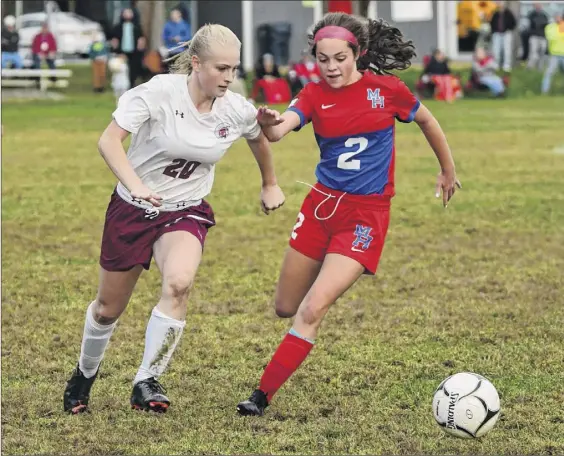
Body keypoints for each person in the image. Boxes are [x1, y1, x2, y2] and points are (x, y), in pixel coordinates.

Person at [236, 12, 461, 416]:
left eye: (340, 58)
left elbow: (427, 120)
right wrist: (269, 122)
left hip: (365, 217)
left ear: (358, 54)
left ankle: (260, 397)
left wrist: (448, 169)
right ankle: (307, 315)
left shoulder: (387, 90)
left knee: (310, 309)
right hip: (320, 208)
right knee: (285, 306)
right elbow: (280, 129)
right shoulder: (310, 94)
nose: (331, 67)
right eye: (323, 59)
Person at [63, 23, 285, 415]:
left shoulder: (234, 107)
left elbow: (258, 135)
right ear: (196, 63)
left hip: (185, 210)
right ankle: (84, 374)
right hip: (132, 210)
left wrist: (270, 183)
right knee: (107, 309)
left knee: (179, 284)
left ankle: (147, 380)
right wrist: (135, 185)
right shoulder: (158, 92)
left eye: (234, 69)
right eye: (221, 68)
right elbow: (108, 141)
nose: (229, 77)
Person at [111, 8, 146, 88]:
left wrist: (140, 47)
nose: (127, 14)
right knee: (121, 70)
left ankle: (131, 84)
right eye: (125, 13)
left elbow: (141, 39)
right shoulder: (118, 27)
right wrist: (116, 49)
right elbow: (114, 39)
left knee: (133, 69)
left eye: (129, 13)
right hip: (121, 52)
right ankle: (120, 86)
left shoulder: (137, 26)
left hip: (134, 52)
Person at [541, 12, 564, 95]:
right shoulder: (550, 27)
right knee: (549, 73)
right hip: (554, 55)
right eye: (556, 17)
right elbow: (551, 37)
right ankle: (544, 91)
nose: (558, 18)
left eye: (559, 17)